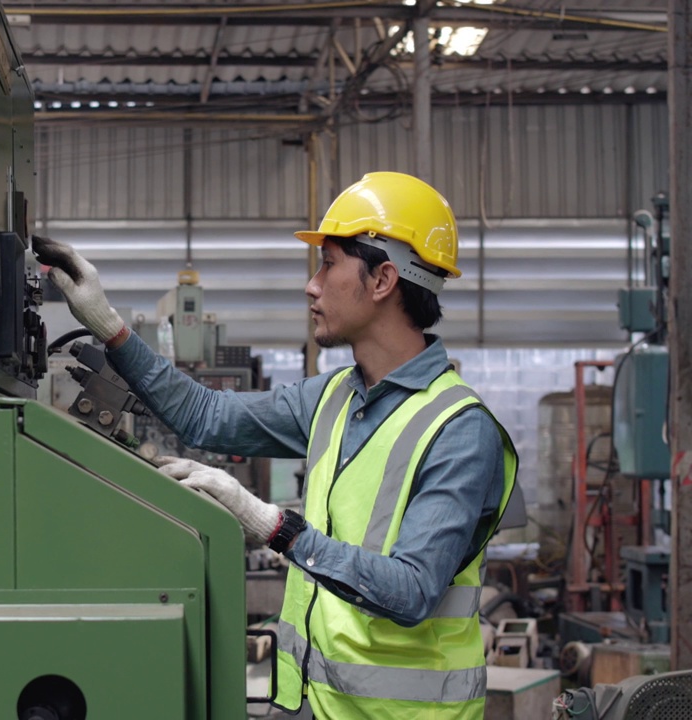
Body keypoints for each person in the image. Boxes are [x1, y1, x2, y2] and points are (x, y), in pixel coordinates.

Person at [33, 171, 518, 719]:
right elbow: (205, 414)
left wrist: (273, 526)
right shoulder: (334, 395)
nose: (312, 285)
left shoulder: (458, 429)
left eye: (328, 264)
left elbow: (410, 592)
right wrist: (108, 325)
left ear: (383, 279)